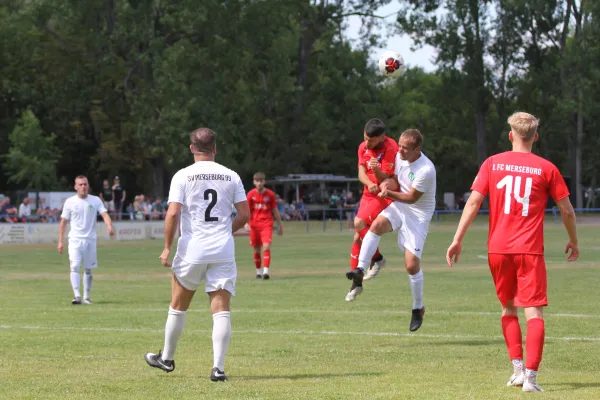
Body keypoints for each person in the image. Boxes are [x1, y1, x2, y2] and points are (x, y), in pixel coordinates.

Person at [446, 112, 579, 392]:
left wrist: (457, 239)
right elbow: (566, 210)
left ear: (510, 135)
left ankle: (517, 369)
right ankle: (530, 377)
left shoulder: (492, 163)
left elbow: (472, 204)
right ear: (536, 137)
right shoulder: (546, 168)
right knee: (534, 312)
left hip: (498, 249)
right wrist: (573, 240)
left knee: (508, 308)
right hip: (529, 250)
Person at [144, 128, 250, 382]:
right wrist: (227, 230)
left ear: (192, 148)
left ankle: (167, 359)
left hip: (192, 249)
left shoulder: (182, 176)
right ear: (215, 148)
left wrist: (167, 247)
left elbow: (172, 214)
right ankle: (218, 368)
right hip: (223, 249)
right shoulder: (231, 175)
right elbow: (245, 215)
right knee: (221, 308)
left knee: (178, 306)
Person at [346, 129, 436, 332]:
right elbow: (396, 178)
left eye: (405, 148)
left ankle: (417, 307)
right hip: (400, 205)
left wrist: (389, 191)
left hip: (418, 215)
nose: (400, 151)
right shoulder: (399, 156)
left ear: (417, 149)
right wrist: (387, 182)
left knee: (411, 266)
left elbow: (412, 198)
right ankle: (360, 269)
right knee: (376, 225)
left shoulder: (425, 170)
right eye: (400, 146)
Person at [345, 118, 399, 302]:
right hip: (369, 193)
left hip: (385, 194)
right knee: (357, 237)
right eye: (365, 138)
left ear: (382, 137)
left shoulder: (390, 148)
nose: (367, 143)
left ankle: (377, 259)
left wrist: (376, 172)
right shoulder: (363, 147)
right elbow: (360, 171)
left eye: (371, 140)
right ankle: (357, 284)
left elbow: (387, 178)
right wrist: (369, 182)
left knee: (359, 223)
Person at [58, 176, 114, 305]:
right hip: (75, 239)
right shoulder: (70, 202)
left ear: (88, 186)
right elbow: (63, 222)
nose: (83, 187)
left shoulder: (95, 200)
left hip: (90, 239)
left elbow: (105, 214)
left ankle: (86, 297)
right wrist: (60, 242)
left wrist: (109, 225)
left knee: (88, 269)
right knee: (74, 266)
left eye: (85, 184)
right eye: (80, 184)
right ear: (75, 187)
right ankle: (77, 296)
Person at [245, 172, 284, 279]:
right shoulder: (250, 194)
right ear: (254, 182)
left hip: (266, 224)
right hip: (254, 224)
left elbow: (275, 210)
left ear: (264, 182)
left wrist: (280, 225)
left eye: (261, 181)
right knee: (256, 249)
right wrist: (246, 223)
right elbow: (247, 210)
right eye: (257, 181)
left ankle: (266, 272)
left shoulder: (270, 194)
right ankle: (258, 272)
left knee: (266, 246)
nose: (259, 183)